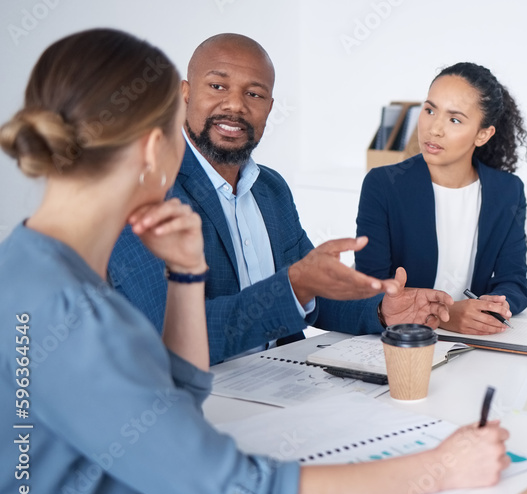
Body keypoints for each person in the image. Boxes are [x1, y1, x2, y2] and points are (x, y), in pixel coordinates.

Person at [0, 28, 509, 494]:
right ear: (157, 146)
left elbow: (175, 393)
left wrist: (186, 276)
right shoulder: (73, 314)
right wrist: (441, 467)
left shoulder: (28, 267)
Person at [109, 34, 453, 365]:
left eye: (254, 94)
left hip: (283, 381)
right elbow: (170, 332)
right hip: (199, 398)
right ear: (185, 93)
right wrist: (294, 284)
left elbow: (313, 296)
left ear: (270, 108)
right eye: (217, 86)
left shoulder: (271, 188)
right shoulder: (147, 189)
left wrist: (381, 310)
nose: (235, 105)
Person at [354, 62, 527, 336]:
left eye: (454, 119)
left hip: (474, 343)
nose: (434, 129)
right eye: (430, 110)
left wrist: (494, 306)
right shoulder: (383, 184)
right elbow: (370, 287)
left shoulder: (507, 191)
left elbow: (514, 282)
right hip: (400, 341)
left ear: (483, 134)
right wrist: (448, 315)